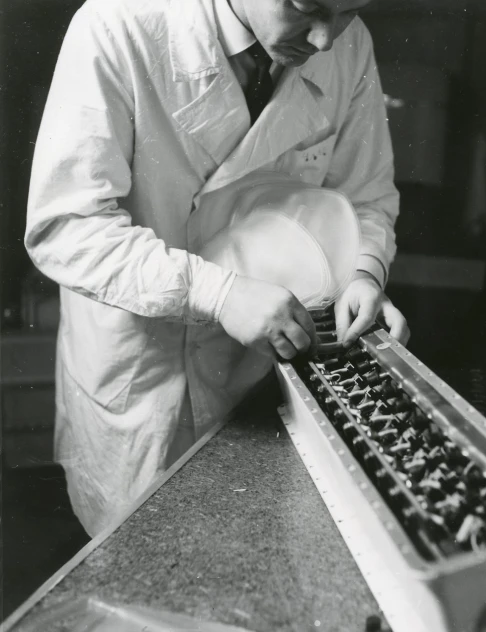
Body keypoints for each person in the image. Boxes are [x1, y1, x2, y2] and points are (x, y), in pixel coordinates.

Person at [25, 0, 409, 537]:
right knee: (141, 577)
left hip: (252, 381)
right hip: (142, 379)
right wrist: (220, 294)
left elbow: (366, 194)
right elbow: (66, 226)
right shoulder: (117, 24)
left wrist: (364, 272)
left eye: (347, 10)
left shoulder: (350, 41)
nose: (325, 39)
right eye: (306, 6)